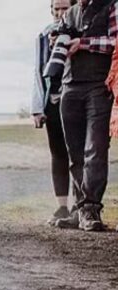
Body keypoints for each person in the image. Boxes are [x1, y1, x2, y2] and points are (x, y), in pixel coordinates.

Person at [53, 0, 116, 231]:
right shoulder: (69, 13)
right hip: (70, 86)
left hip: (98, 86)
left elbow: (115, 42)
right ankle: (80, 209)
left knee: (95, 151)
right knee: (75, 153)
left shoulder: (111, 6)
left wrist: (83, 43)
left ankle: (91, 209)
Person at [33, 0, 74, 225]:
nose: (60, 13)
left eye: (65, 8)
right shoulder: (43, 35)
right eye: (56, 8)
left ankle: (82, 205)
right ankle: (62, 206)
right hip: (53, 100)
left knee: (79, 153)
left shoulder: (80, 32)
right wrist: (37, 107)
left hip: (76, 99)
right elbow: (38, 71)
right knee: (58, 153)